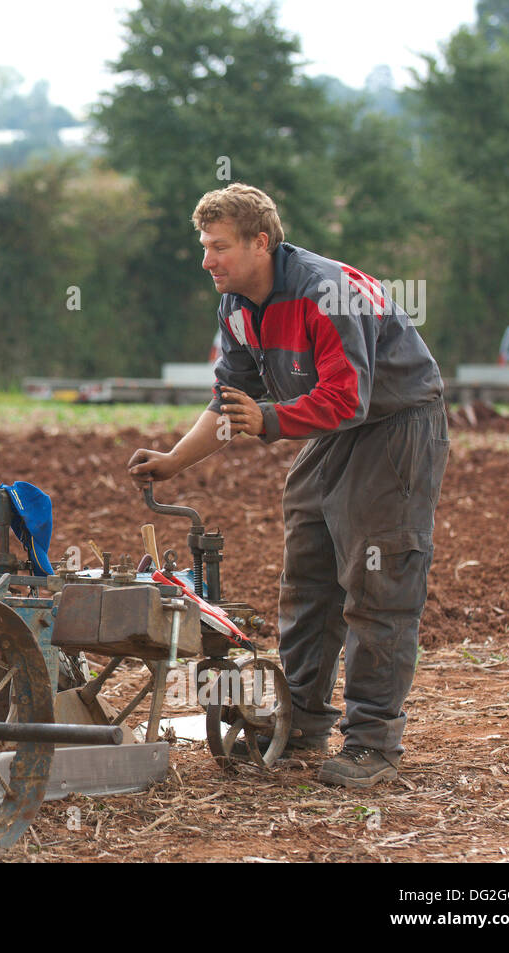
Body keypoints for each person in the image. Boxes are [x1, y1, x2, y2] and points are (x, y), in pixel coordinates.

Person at [128, 183, 448, 789]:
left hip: (395, 426)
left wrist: (272, 421)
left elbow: (348, 397)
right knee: (307, 578)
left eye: (218, 247)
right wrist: (174, 461)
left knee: (377, 582)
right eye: (203, 247)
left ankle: (373, 743)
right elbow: (230, 401)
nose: (207, 261)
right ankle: (300, 722)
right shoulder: (237, 307)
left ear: (261, 242)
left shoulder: (329, 293)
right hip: (332, 432)